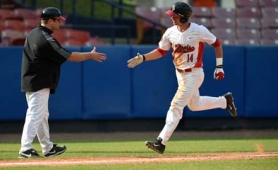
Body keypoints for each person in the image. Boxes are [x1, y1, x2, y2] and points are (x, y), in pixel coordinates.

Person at [127, 2, 237, 154]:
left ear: (184, 17)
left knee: (176, 105)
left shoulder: (198, 30)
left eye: (175, 16)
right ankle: (225, 101)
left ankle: (161, 142)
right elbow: (161, 51)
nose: (172, 18)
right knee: (195, 105)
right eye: (172, 15)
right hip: (180, 73)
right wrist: (144, 58)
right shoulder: (170, 32)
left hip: (194, 73)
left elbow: (217, 44)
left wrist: (219, 66)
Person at [19, 7, 106, 158]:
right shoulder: (44, 38)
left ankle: (48, 148)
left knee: (41, 115)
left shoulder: (34, 33)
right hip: (38, 80)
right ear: (50, 20)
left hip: (33, 79)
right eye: (58, 20)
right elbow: (70, 56)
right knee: (35, 114)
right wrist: (90, 55)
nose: (60, 23)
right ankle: (25, 148)